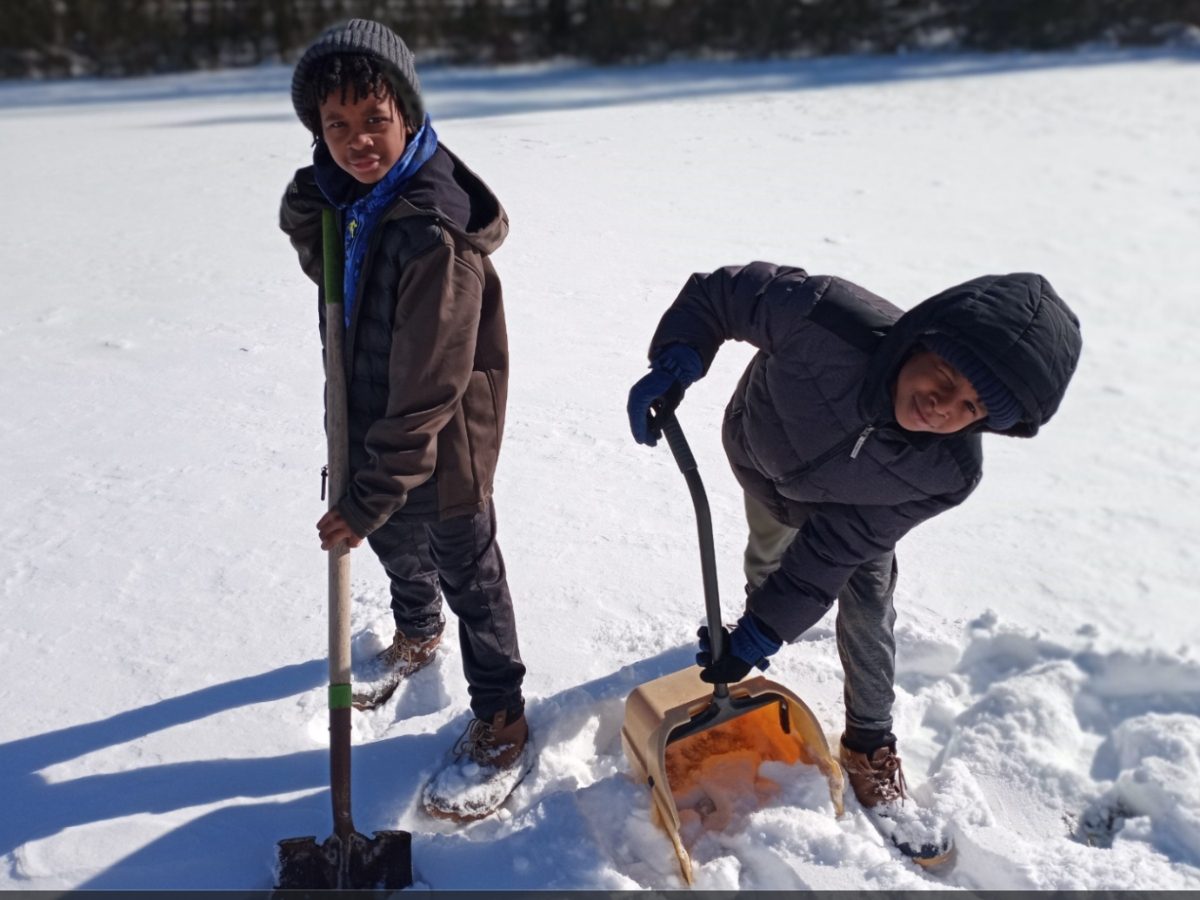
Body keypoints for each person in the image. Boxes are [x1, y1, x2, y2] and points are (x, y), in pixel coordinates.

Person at [627, 262, 1081, 857]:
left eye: (972, 408)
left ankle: (869, 744)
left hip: (856, 505)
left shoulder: (945, 472)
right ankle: (752, 640)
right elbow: (718, 296)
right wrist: (678, 358)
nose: (944, 407)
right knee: (768, 564)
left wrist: (766, 628)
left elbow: (839, 545)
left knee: (867, 604)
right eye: (946, 374)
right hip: (761, 459)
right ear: (920, 339)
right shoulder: (821, 315)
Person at [280, 18, 529, 821]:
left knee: (469, 571)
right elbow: (341, 291)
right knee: (391, 541)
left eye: (374, 121)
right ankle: (418, 629)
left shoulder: (432, 232)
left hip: (440, 445)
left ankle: (501, 714)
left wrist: (369, 488)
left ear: (410, 116)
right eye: (336, 126)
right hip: (366, 428)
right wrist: (303, 213)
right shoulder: (354, 204)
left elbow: (429, 385)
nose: (357, 141)